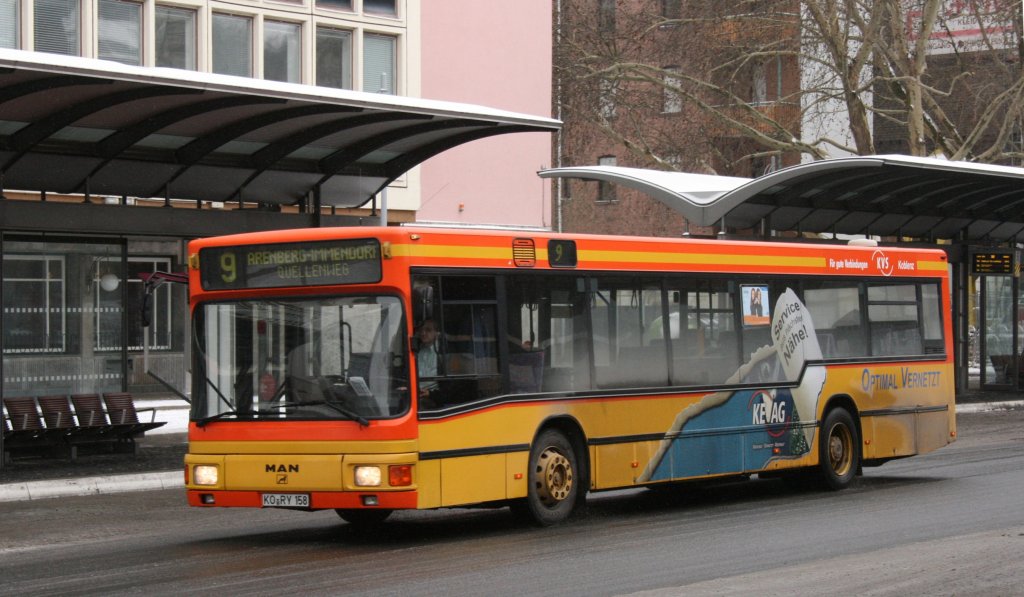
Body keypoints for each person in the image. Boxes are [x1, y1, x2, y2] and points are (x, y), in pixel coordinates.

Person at [415, 319, 442, 406]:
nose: (423, 333)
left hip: (433, 397)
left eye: (428, 330)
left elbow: (449, 386)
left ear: (437, 333)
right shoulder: (418, 350)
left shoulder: (443, 352)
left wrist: (430, 393)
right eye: (421, 330)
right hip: (416, 392)